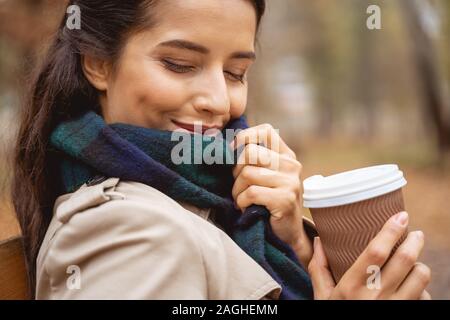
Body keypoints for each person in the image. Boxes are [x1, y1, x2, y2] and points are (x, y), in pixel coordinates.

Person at [12, 0, 431, 299]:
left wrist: (292, 241)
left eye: (235, 72)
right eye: (179, 64)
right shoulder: (129, 234)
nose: (218, 100)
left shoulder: (216, 199)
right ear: (98, 63)